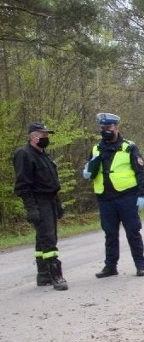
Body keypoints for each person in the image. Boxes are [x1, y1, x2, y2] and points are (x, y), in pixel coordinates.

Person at [83, 112, 144, 277]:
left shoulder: (129, 147)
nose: (106, 130)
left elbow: (141, 173)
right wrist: (86, 171)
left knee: (133, 232)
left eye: (109, 127)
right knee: (110, 234)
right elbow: (89, 169)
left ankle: (140, 264)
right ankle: (110, 267)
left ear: (117, 128)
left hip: (127, 197)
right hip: (105, 198)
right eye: (103, 127)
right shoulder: (96, 148)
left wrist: (142, 195)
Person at [13, 121, 68, 290]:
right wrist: (31, 208)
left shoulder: (44, 154)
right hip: (38, 201)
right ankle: (56, 275)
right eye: (43, 135)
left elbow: (51, 182)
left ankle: (43, 275)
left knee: (42, 239)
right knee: (49, 239)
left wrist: (57, 203)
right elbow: (23, 185)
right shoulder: (24, 154)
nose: (46, 137)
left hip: (50, 200)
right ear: (33, 136)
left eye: (47, 135)